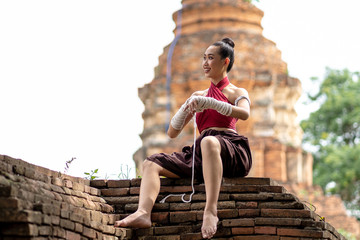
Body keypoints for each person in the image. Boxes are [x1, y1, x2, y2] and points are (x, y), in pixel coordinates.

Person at [115, 37, 252, 239]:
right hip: (203, 152)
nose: (205, 63)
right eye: (204, 58)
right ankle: (143, 212)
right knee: (151, 163)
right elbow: (172, 133)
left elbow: (244, 114)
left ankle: (210, 211)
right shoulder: (199, 94)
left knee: (208, 142)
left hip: (230, 150)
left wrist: (212, 103)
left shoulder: (236, 92)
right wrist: (186, 107)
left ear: (225, 62)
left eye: (211, 58)